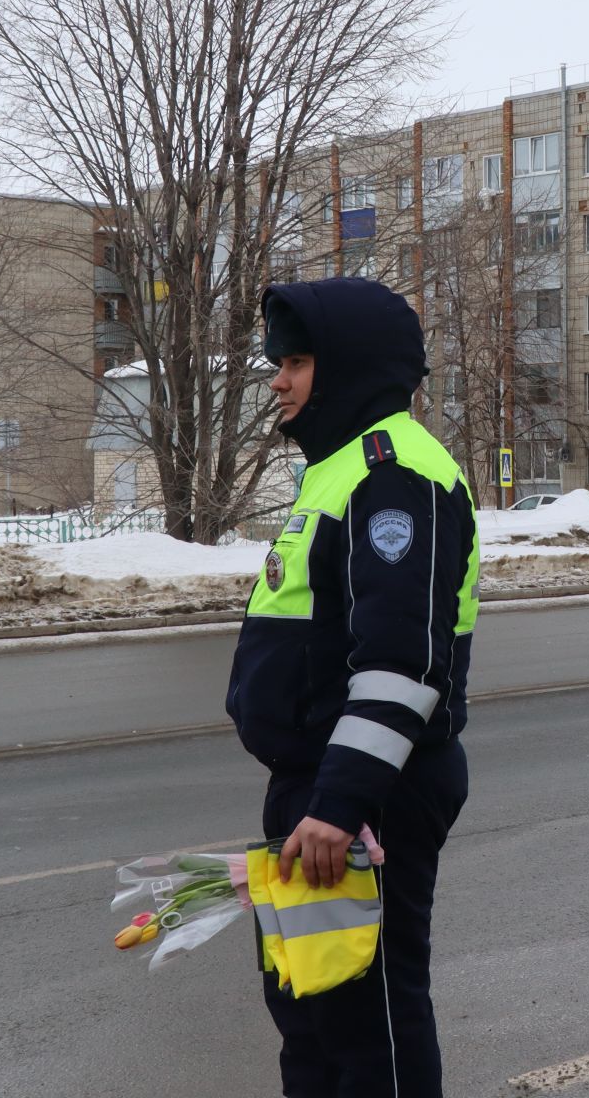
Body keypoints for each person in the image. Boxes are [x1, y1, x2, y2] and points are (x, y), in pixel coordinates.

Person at [227, 276, 478, 1098]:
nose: (277, 379)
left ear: (348, 368)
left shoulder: (394, 474)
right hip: (323, 790)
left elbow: (403, 664)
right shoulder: (339, 471)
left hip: (368, 795)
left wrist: (340, 803)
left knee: (371, 1025)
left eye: (295, 361)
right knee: (312, 1019)